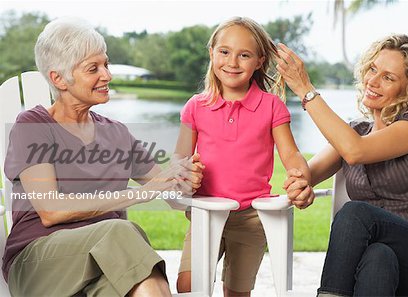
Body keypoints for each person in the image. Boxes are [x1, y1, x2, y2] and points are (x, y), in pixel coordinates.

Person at [2, 17, 203, 297]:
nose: (107, 75)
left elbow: (168, 189)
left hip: (108, 260)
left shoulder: (116, 133)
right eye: (93, 68)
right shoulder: (33, 126)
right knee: (122, 231)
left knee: (143, 283)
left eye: (106, 64)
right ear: (58, 78)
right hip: (39, 261)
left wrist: (185, 176)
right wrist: (141, 194)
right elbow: (52, 210)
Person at [278, 34, 408, 296]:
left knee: (355, 211)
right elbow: (305, 174)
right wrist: (276, 123)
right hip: (384, 261)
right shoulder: (356, 130)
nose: (372, 81)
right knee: (378, 257)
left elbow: (355, 151)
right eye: (373, 69)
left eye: (388, 77)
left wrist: (304, 89)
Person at [174, 16, 310, 297]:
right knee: (187, 286)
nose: (232, 62)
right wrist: (187, 170)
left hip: (251, 218)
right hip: (206, 213)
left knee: (236, 293)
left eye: (244, 55)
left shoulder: (272, 107)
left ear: (259, 61)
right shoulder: (195, 107)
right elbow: (179, 160)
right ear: (212, 53)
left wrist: (299, 175)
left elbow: (292, 154)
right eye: (224, 52)